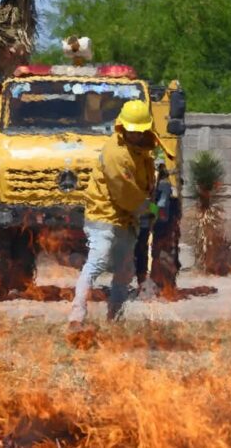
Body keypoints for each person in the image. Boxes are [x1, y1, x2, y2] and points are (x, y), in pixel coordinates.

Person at [68, 100, 157, 329]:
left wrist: (152, 205)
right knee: (97, 262)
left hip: (127, 219)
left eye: (140, 131)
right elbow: (126, 194)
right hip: (104, 216)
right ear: (122, 127)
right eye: (132, 130)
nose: (136, 135)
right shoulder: (115, 153)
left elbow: (144, 188)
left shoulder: (143, 152)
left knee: (124, 270)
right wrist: (151, 209)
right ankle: (77, 316)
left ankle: (114, 322)